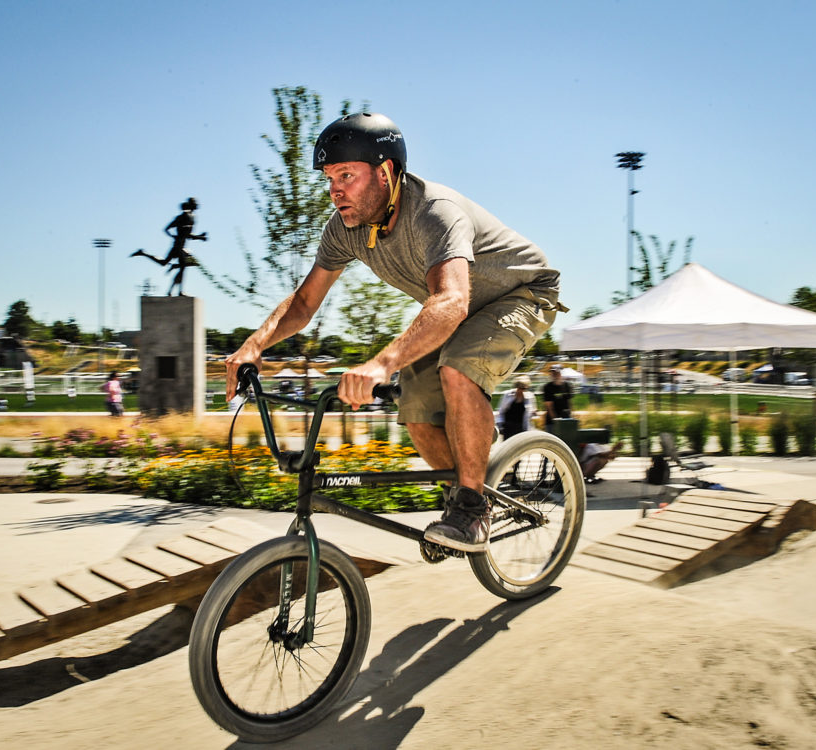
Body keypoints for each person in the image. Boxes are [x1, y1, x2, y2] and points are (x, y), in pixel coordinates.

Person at [226, 112, 566, 552]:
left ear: (386, 172)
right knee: (416, 402)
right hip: (456, 310)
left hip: (521, 294)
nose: (334, 190)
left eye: (346, 175)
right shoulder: (346, 229)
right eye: (329, 178)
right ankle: (459, 498)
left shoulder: (435, 213)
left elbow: (451, 301)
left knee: (457, 371)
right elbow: (305, 302)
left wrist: (379, 364)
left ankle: (473, 507)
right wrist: (253, 346)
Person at [130, 198, 208, 296]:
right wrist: (199, 237)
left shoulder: (192, 217)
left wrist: (198, 237)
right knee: (182, 266)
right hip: (178, 246)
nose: (197, 205)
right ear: (191, 205)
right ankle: (179, 291)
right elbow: (170, 230)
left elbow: (187, 234)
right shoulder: (183, 217)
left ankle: (143, 253)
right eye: (195, 204)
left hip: (181, 245)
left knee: (167, 263)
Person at [496, 375, 537, 441]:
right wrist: (500, 425)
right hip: (508, 428)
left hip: (522, 429)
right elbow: (501, 411)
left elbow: (531, 414)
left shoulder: (530, 397)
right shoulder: (507, 395)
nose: (522, 390)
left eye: (524, 388)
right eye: (520, 387)